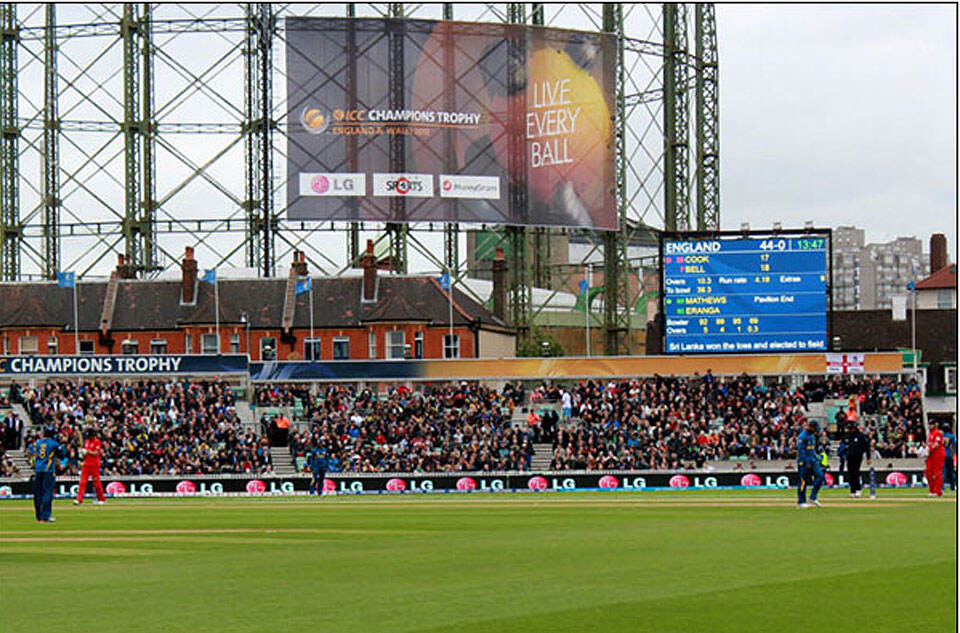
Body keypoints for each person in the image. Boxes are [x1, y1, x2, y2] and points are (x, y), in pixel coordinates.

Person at [32, 426, 64, 523]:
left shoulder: (38, 443)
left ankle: (39, 516)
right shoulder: (53, 444)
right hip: (48, 470)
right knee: (47, 493)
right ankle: (46, 515)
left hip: (38, 470)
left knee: (38, 493)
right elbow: (62, 455)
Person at [74, 428, 106, 505]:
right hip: (86, 464)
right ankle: (79, 500)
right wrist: (82, 453)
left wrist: (87, 451)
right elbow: (86, 453)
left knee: (96, 482)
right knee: (82, 482)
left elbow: (95, 453)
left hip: (94, 464)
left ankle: (101, 499)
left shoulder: (97, 442)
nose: (89, 438)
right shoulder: (87, 441)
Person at [796, 420, 824, 509]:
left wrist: (816, 458)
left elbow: (811, 449)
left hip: (813, 460)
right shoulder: (802, 436)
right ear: (811, 427)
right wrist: (806, 462)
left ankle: (813, 497)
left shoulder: (812, 435)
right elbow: (801, 451)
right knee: (803, 481)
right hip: (804, 462)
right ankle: (801, 502)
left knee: (820, 476)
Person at [845, 423, 869, 498]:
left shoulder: (860, 436)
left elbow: (866, 447)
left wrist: (868, 458)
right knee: (850, 473)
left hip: (857, 457)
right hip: (850, 457)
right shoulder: (848, 435)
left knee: (856, 472)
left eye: (850, 428)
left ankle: (858, 489)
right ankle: (852, 491)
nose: (849, 430)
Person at [925, 422, 945, 497]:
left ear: (935, 425)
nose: (930, 426)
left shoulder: (937, 433)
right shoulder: (930, 433)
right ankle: (932, 490)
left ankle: (938, 492)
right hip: (931, 455)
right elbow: (930, 444)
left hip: (938, 455)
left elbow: (936, 444)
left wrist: (929, 450)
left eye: (931, 424)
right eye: (929, 424)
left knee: (937, 474)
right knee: (928, 472)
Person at [942, 424, 957, 493]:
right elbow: (954, 447)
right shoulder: (952, 436)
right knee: (951, 473)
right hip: (949, 455)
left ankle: (942, 488)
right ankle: (953, 488)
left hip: (942, 455)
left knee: (943, 472)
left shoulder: (941, 436)